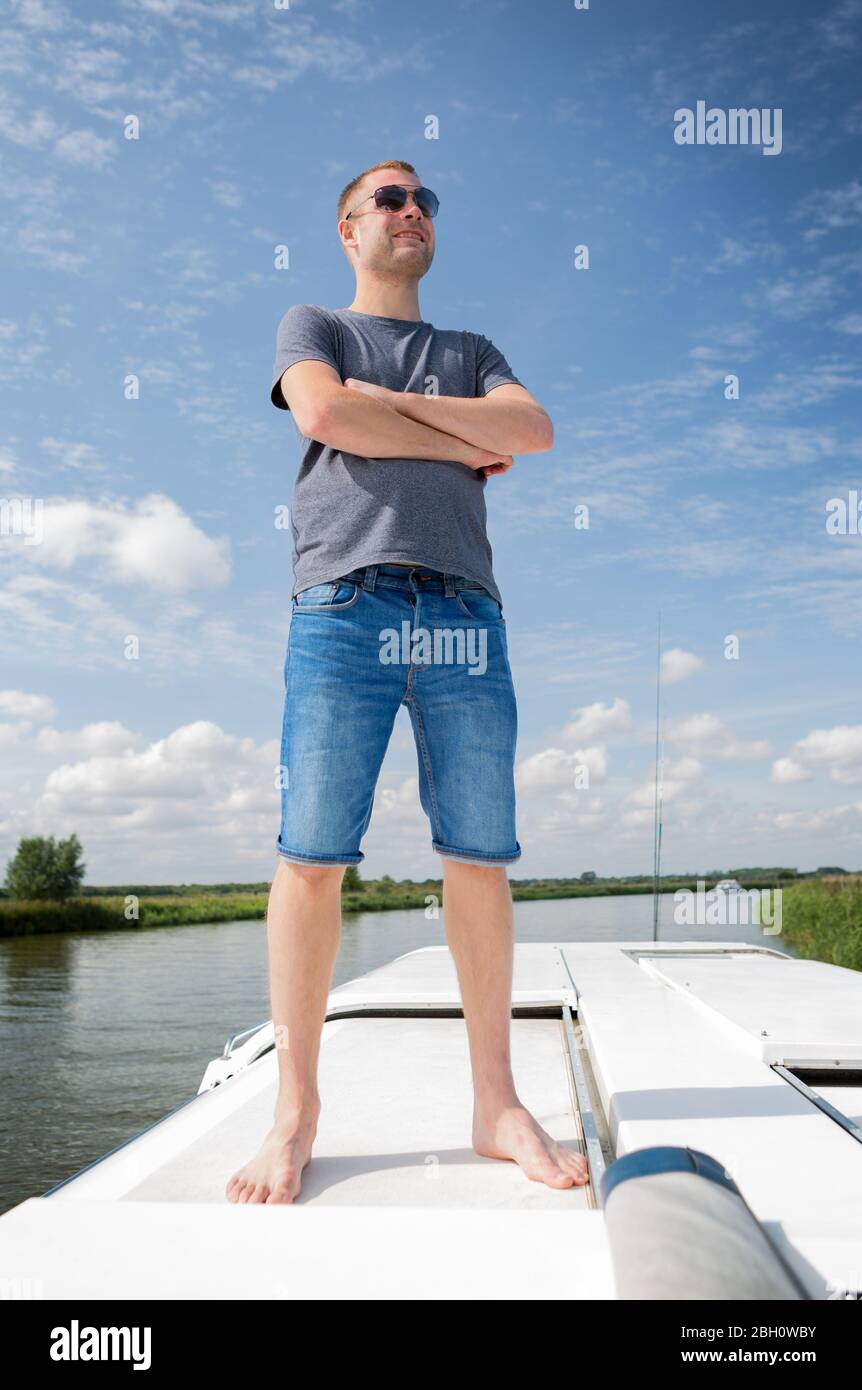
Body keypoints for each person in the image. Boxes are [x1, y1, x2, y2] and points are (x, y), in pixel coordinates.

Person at [226, 159, 589, 1203]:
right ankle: (293, 1113)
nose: (411, 210)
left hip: (464, 610)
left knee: (478, 854)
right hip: (343, 603)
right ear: (348, 228)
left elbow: (531, 431)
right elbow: (325, 419)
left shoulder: (473, 349)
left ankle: (495, 1105)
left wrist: (405, 415)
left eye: (423, 199)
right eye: (388, 198)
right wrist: (446, 429)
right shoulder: (315, 327)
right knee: (312, 857)